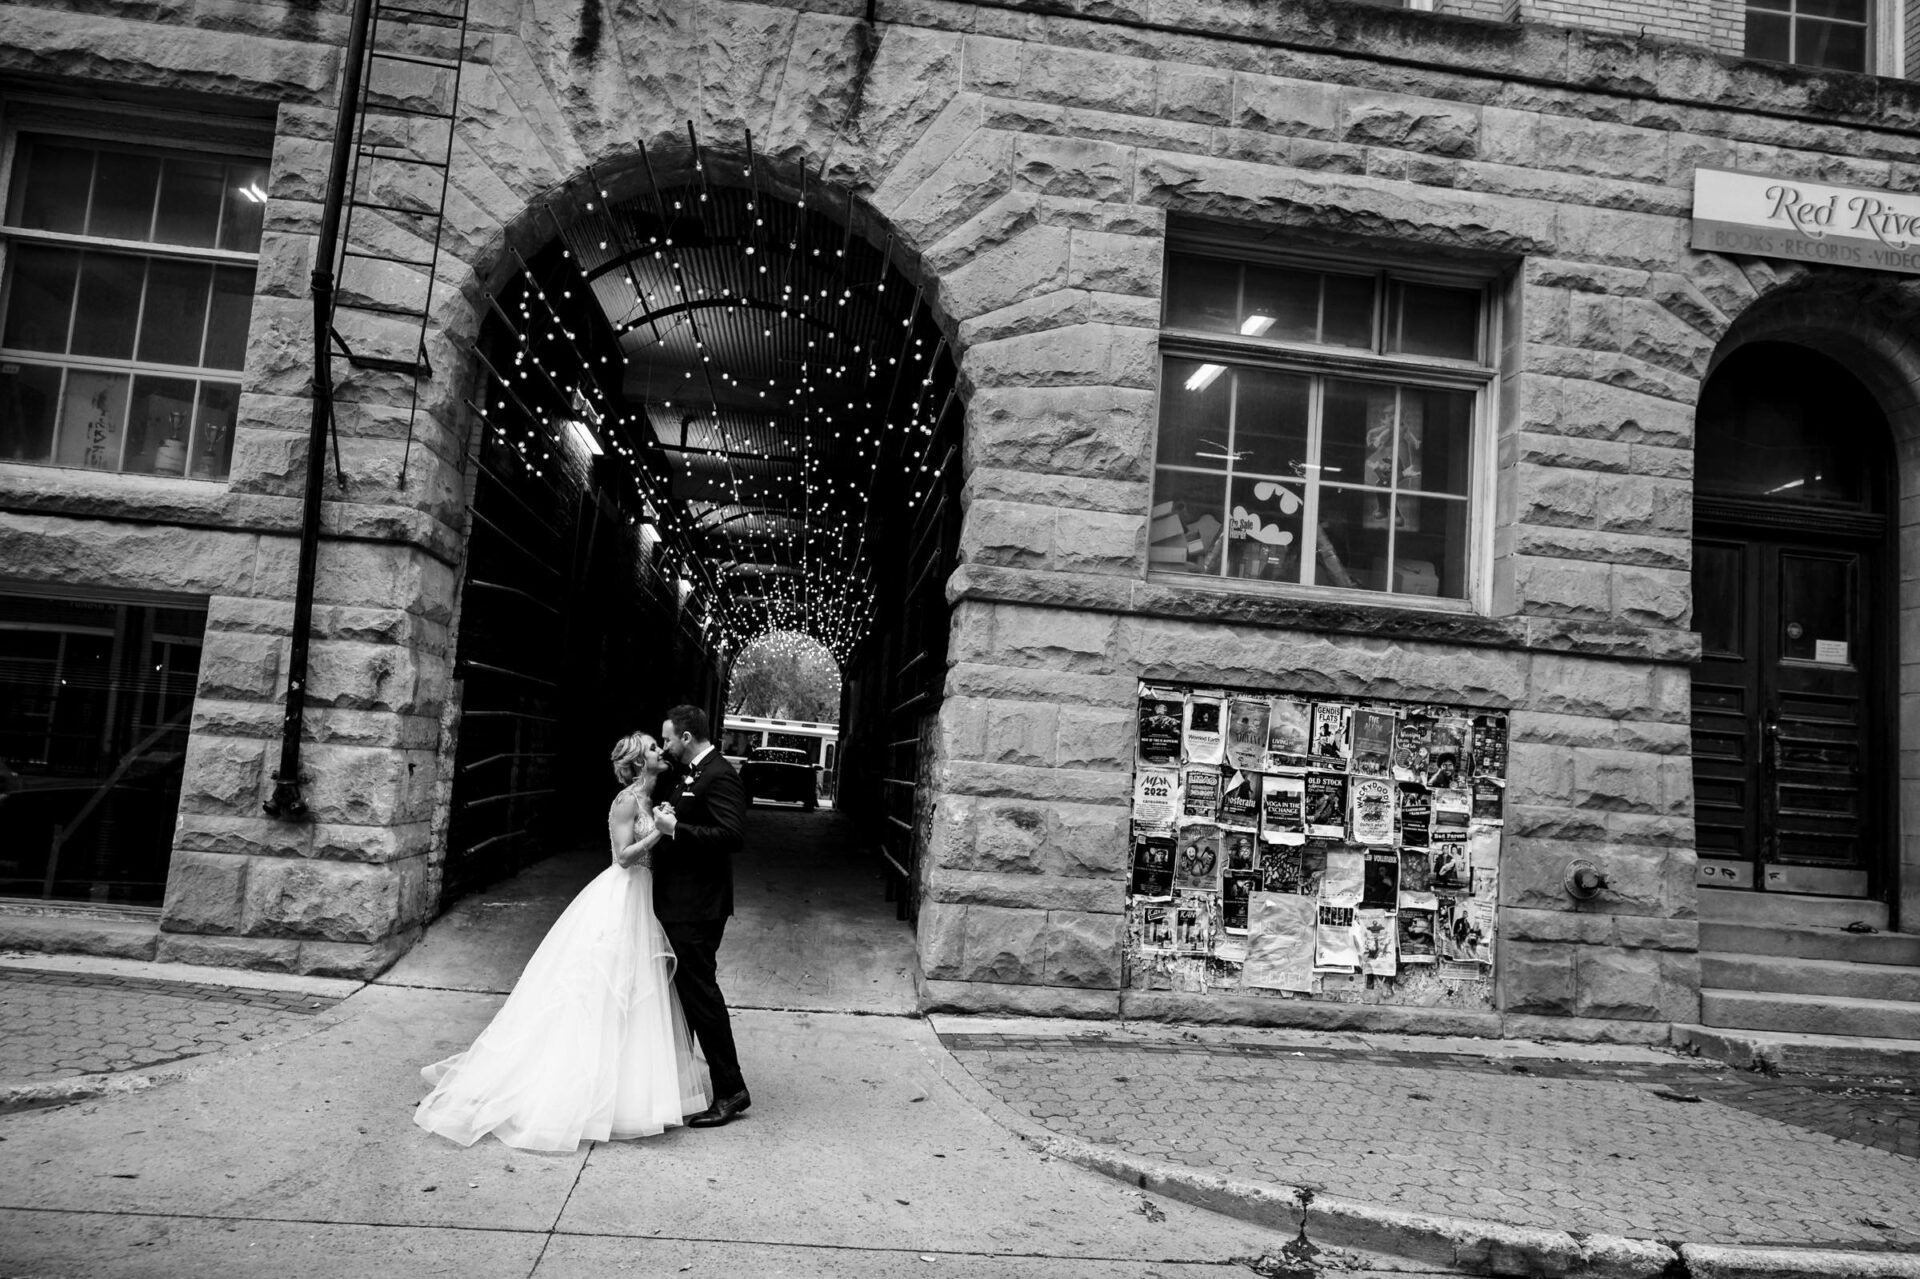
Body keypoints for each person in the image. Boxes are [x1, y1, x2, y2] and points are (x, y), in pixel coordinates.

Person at [413, 732, 710, 1151]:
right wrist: (661, 832)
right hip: (620, 897)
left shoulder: (651, 798)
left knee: (634, 991)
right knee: (602, 989)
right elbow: (622, 856)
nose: (662, 752)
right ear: (639, 762)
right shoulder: (625, 801)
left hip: (643, 898)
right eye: (653, 748)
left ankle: (630, 1088)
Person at [655, 704, 752, 1128]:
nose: (666, 746)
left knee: (701, 997)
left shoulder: (720, 775)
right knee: (687, 997)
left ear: (687, 738)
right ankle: (683, 1085)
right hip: (682, 904)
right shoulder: (692, 773)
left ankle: (731, 1090)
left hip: (698, 908)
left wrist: (675, 830)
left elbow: (731, 836)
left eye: (669, 738)